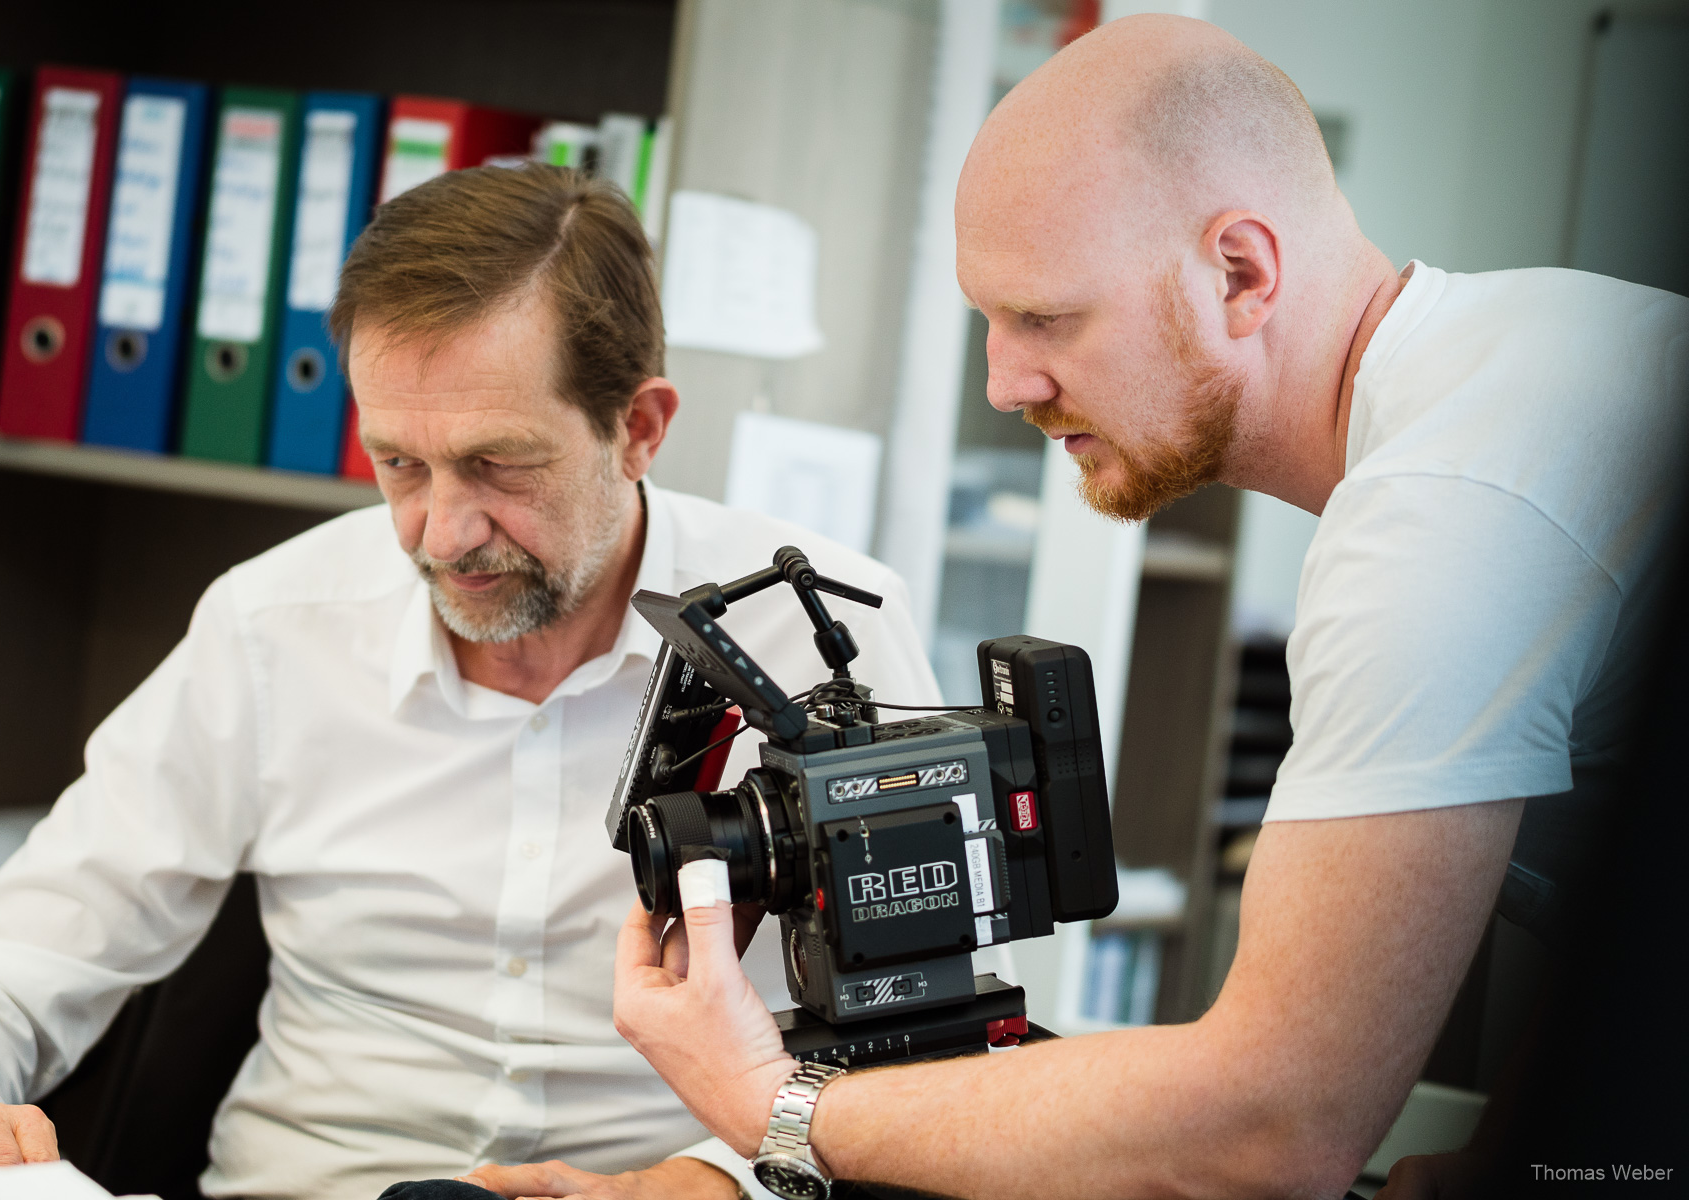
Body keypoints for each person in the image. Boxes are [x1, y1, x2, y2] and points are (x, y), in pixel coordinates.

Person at [606, 14, 1689, 1200]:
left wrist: (775, 1105)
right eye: (989, 318)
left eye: (1047, 317)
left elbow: (1272, 1127)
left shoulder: (1442, 515)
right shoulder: (1542, 354)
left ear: (1241, 273)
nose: (1004, 381)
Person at [0, 165, 940, 1200]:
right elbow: (24, 948)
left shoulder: (823, 633)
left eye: (500, 465)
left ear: (639, 428)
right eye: (399, 466)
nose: (443, 532)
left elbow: (933, 1037)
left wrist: (719, 1182)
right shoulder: (274, 624)